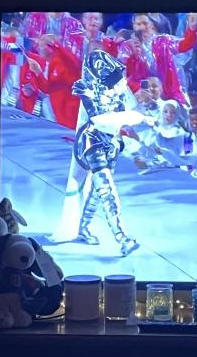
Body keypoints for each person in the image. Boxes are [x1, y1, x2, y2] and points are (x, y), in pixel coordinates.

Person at [68, 50, 140, 256]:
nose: (124, 82)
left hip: (111, 145)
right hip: (93, 144)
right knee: (106, 189)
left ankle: (83, 227)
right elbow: (98, 119)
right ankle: (121, 237)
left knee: (97, 192)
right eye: (120, 80)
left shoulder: (119, 97)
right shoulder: (90, 95)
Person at [117, 13, 197, 105]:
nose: (142, 28)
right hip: (140, 97)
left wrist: (192, 29)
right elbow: (123, 76)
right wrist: (135, 56)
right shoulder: (126, 47)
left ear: (152, 25)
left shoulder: (163, 41)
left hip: (169, 96)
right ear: (134, 26)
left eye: (145, 23)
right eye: (138, 24)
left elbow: (185, 46)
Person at [26, 34, 82, 129]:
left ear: (50, 46)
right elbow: (47, 88)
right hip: (57, 112)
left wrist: (57, 46)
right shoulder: (49, 62)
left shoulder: (64, 62)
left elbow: (74, 65)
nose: (37, 49)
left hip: (69, 112)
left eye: (40, 45)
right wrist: (38, 72)